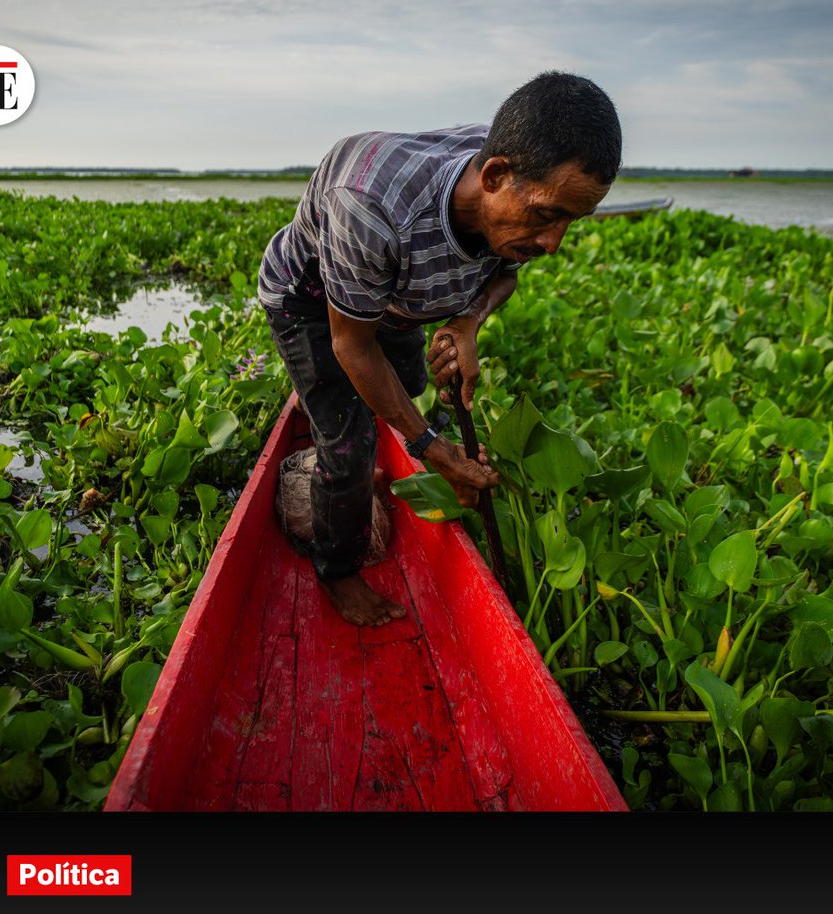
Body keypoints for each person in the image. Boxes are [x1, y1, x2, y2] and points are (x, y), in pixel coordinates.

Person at [258, 71, 621, 627]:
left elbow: (505, 272)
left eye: (573, 220)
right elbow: (353, 344)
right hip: (314, 302)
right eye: (548, 215)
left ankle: (362, 456)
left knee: (408, 387)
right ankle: (337, 570)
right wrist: (429, 445)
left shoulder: (512, 177)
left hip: (403, 295)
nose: (553, 243)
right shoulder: (368, 203)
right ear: (494, 174)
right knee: (348, 441)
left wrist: (469, 321)